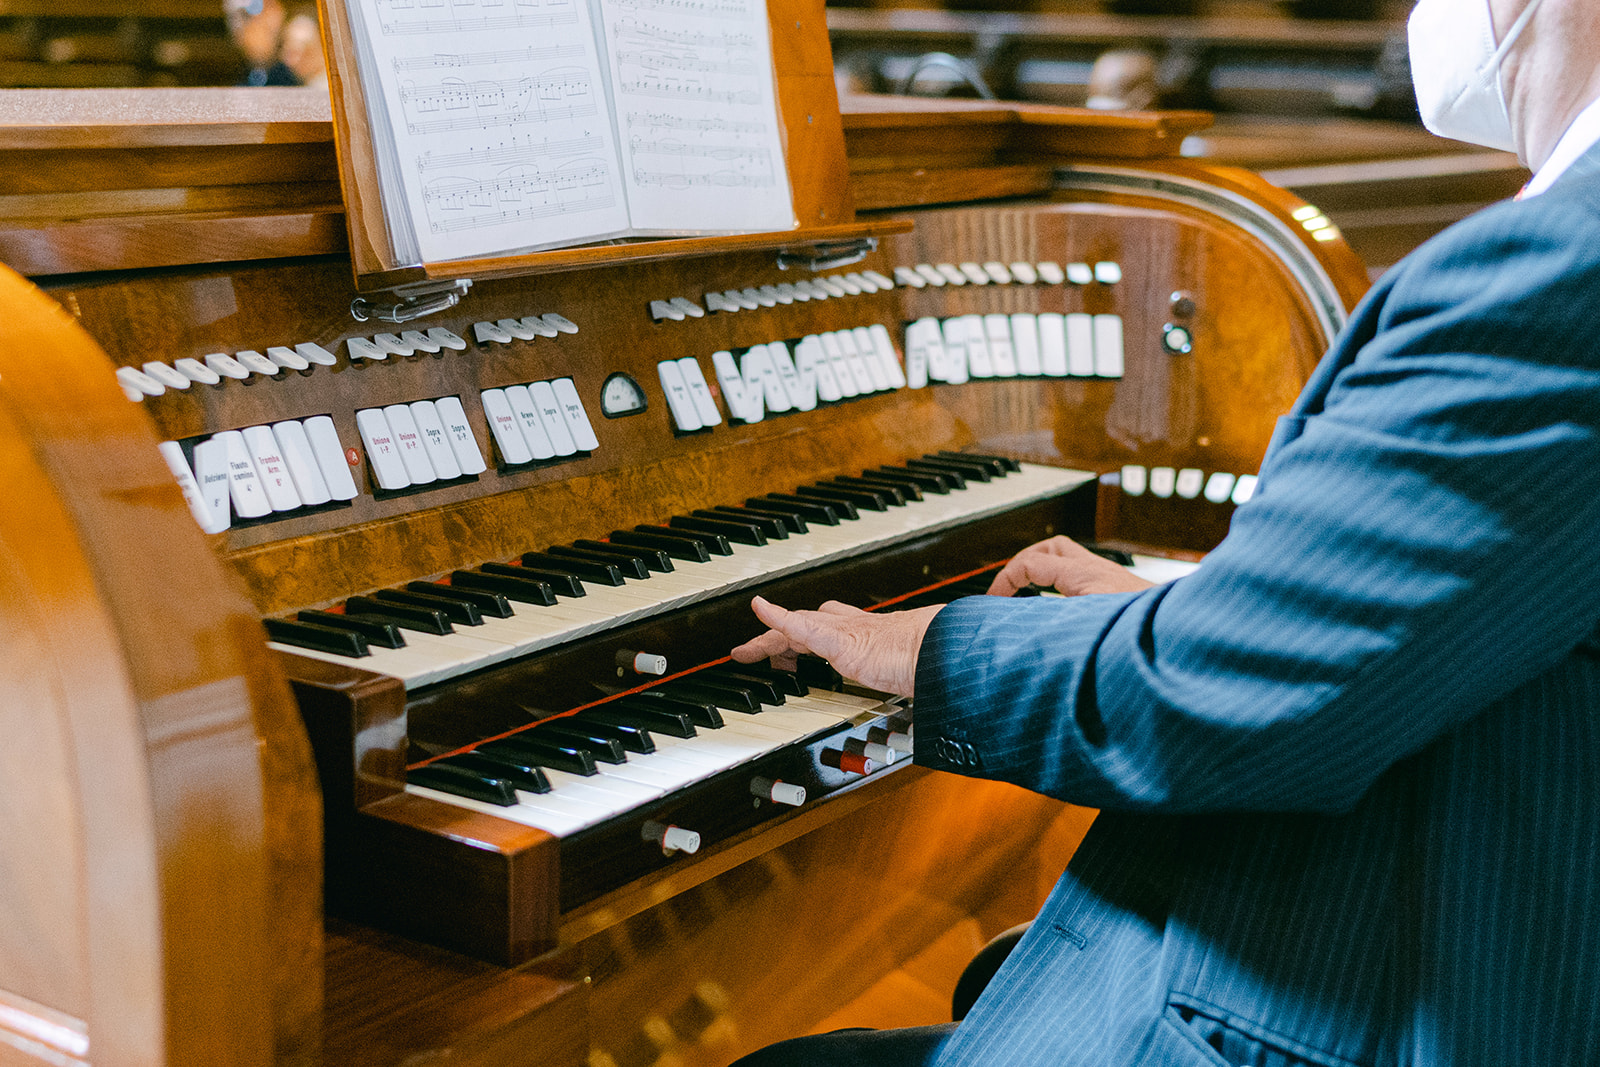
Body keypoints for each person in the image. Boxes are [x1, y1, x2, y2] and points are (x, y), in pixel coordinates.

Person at [730, 0, 1600, 1063]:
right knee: (961, 985)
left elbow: (1217, 698)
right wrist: (1204, 614)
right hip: (1507, 888)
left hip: (1412, 989)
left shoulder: (1564, 270)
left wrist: (926, 644)